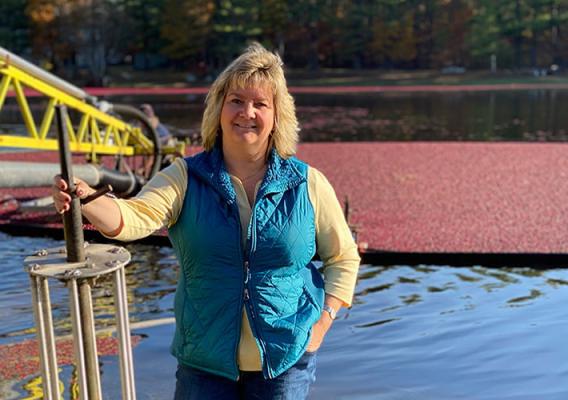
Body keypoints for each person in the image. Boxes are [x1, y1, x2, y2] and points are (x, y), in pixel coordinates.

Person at [52, 43, 360, 400]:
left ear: (277, 116)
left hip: (285, 362)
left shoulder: (308, 184)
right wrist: (86, 198)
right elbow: (135, 217)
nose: (247, 112)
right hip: (204, 364)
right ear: (218, 109)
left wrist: (323, 322)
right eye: (236, 101)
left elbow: (343, 258)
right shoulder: (185, 176)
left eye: (260, 104)